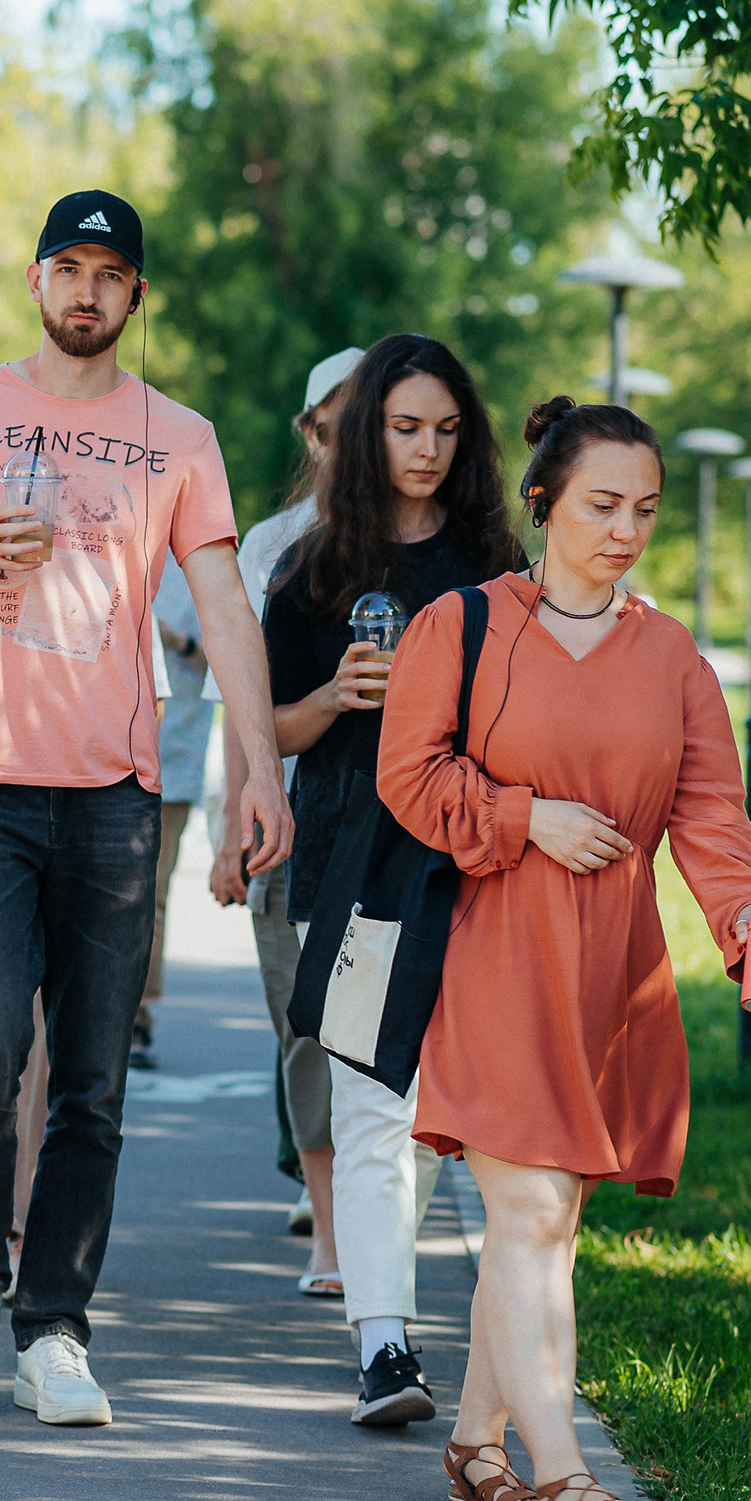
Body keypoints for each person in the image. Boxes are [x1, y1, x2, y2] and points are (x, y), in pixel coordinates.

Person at [376, 396, 751, 1501]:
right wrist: (526, 817)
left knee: (549, 1221)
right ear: (542, 504)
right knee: (526, 1208)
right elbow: (408, 777)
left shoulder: (672, 658)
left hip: (609, 966)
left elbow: (711, 822)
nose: (625, 530)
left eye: (645, 510)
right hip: (490, 944)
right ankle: (564, 1478)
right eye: (602, 506)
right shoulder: (462, 626)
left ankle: (477, 1449)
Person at [0, 190, 289, 1426]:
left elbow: (221, 607)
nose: (88, 291)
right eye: (69, 267)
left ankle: (55, 1328)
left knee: (93, 1081)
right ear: (35, 278)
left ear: (136, 296)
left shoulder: (181, 437)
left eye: (111, 273)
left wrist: (255, 772)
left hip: (115, 797)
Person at [260, 334, 524, 1426]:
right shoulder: (312, 567)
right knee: (372, 1106)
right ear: (363, 431)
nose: (423, 448)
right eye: (403, 427)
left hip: (475, 865)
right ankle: (383, 1346)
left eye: (444, 430)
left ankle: (494, 1351)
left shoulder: (498, 565)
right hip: (352, 862)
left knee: (470, 1118)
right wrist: (334, 697)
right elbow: (266, 724)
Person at [208, 345, 362, 1291]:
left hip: (406, 830)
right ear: (310, 433)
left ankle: (373, 1221)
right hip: (295, 826)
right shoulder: (269, 546)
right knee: (305, 1030)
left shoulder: (442, 542)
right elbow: (243, 701)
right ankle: (333, 1239)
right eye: (337, 423)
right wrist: (235, 826)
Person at [132, 568, 214, 1071]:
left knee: (150, 896)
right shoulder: (114, 540)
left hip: (174, 760)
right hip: (105, 754)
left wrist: (172, 638)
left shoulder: (199, 569)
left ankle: (138, 1016)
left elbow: (222, 663)